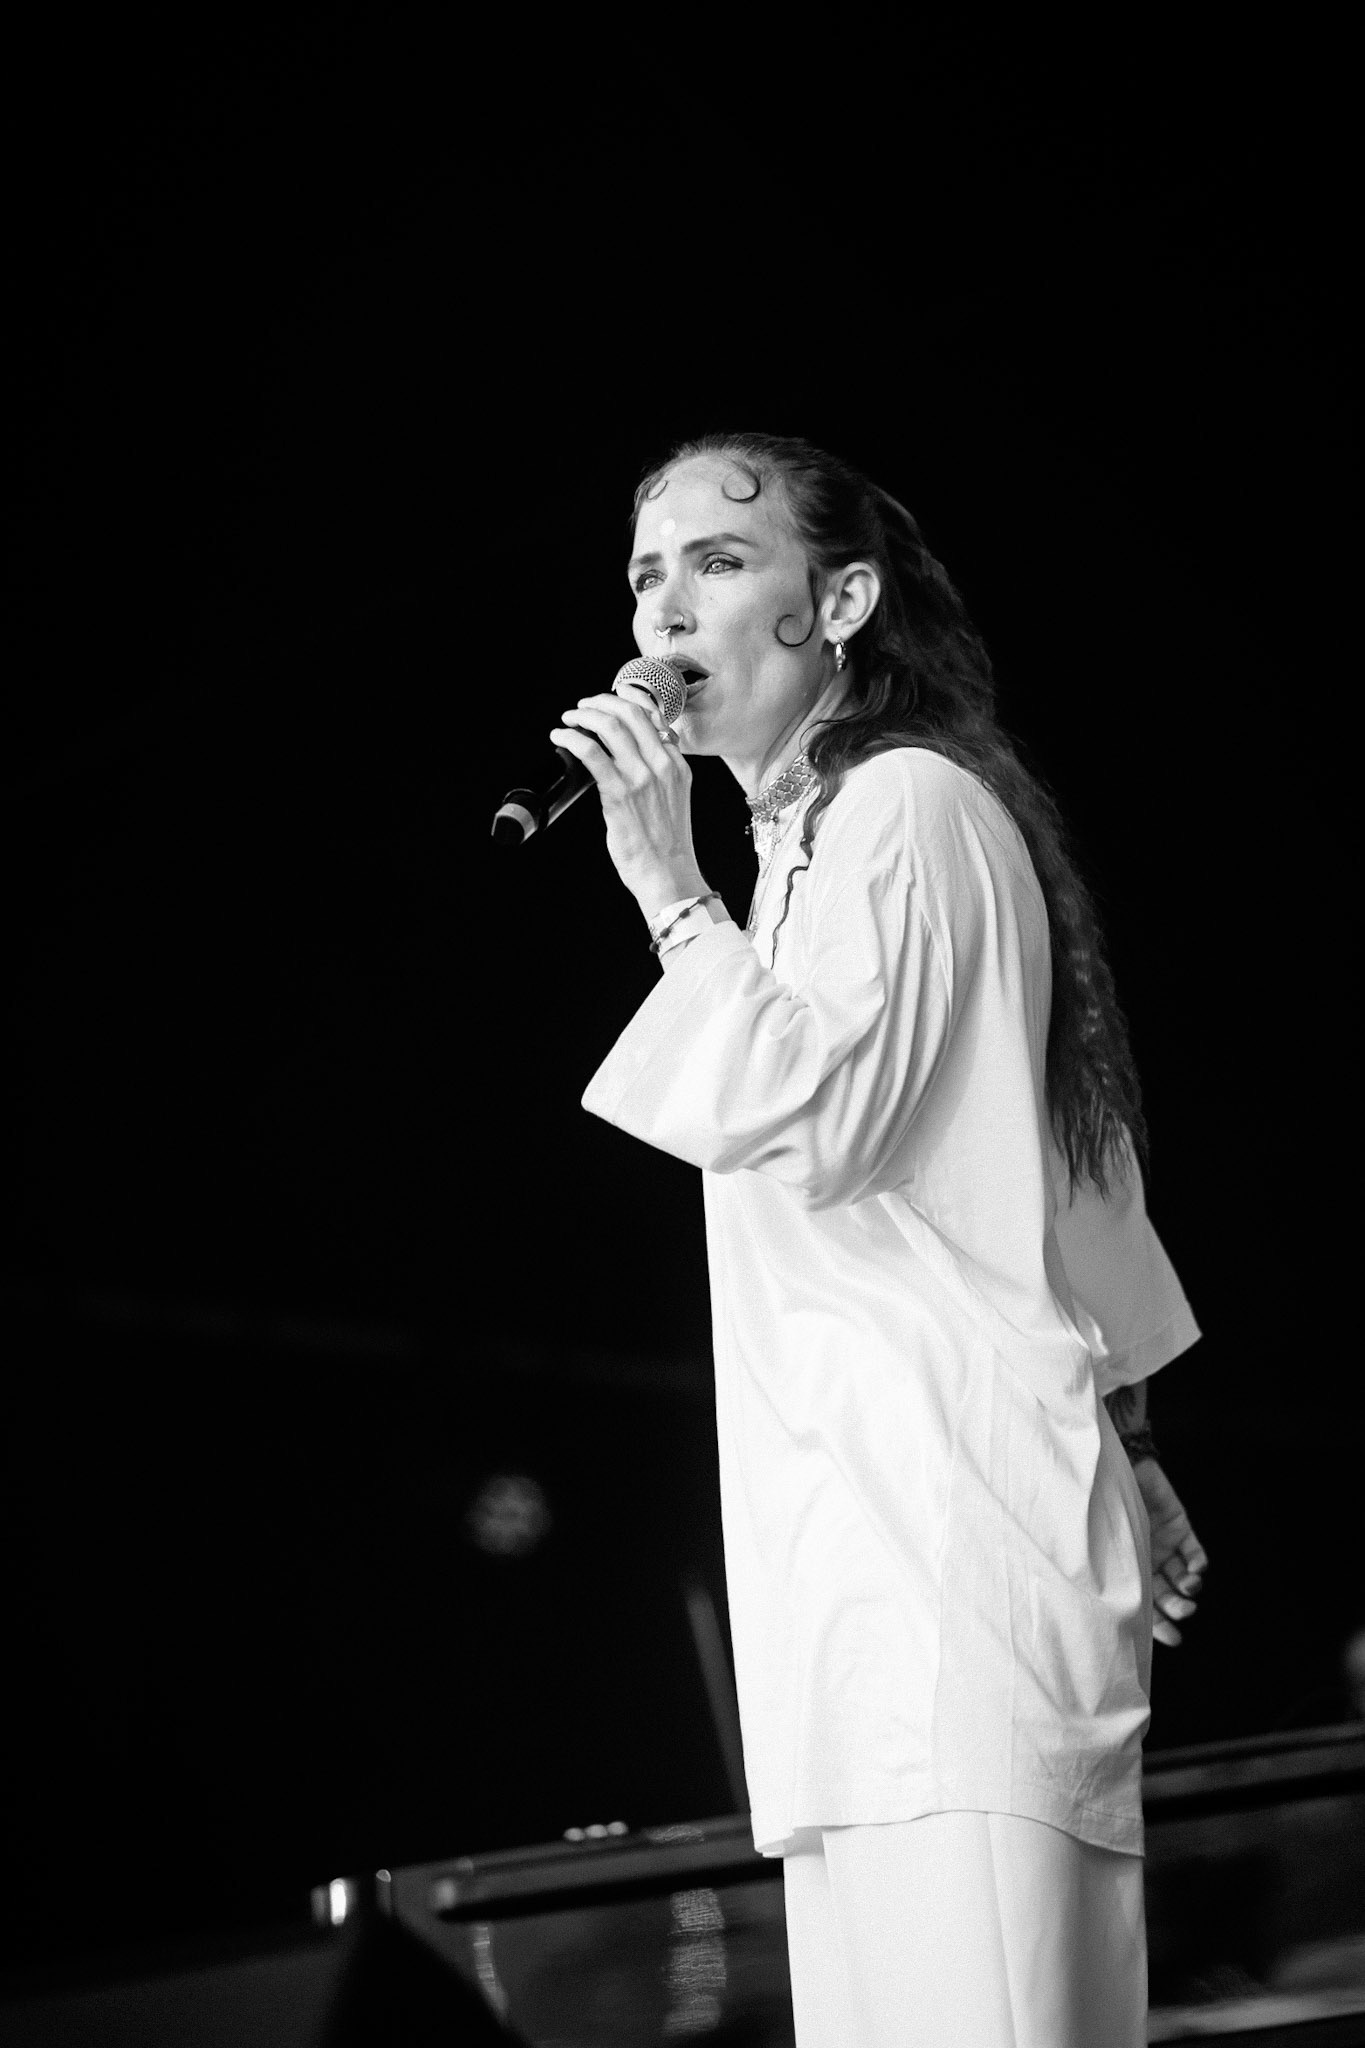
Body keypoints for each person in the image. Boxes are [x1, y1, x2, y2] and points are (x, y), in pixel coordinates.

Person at [550, 432, 1208, 2046]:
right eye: (646, 576)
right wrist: (1123, 1426)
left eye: (719, 561)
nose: (665, 613)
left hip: (945, 1588)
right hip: (870, 1603)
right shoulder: (815, 844)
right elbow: (1051, 1154)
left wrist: (661, 887)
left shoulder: (902, 808)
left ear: (838, 600)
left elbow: (835, 1126)